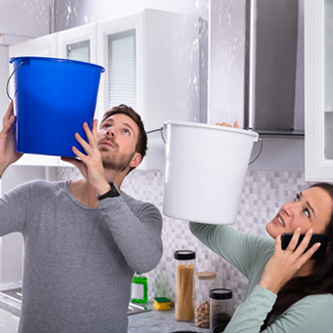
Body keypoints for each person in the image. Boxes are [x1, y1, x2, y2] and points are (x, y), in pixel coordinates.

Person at [0, 102, 163, 333]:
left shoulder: (143, 213)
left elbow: (145, 260)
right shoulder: (36, 196)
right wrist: (1, 161)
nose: (111, 131)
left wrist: (102, 186)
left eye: (125, 130)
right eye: (106, 125)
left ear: (135, 160)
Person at [189, 124, 333, 332]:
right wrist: (221, 154)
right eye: (296, 199)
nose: (287, 207)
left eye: (306, 212)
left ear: (323, 246)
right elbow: (202, 226)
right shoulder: (266, 253)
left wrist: (269, 283)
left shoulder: (321, 310)